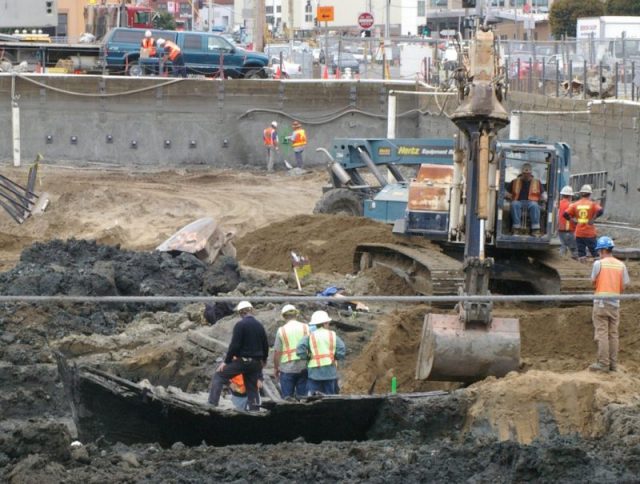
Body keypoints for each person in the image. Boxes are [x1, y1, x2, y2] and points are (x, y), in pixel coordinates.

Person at [208, 301, 268, 411]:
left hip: (243, 361)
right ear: (251, 310)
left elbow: (234, 346)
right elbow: (265, 345)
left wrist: (226, 361)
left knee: (219, 376)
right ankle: (254, 411)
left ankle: (212, 404)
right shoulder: (259, 326)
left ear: (240, 313)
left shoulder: (240, 325)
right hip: (256, 363)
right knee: (252, 388)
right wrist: (264, 360)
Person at [588, 236, 630, 373]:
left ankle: (603, 364)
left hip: (601, 303)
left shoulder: (598, 264)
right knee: (613, 334)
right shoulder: (621, 265)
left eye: (599, 251)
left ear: (603, 250)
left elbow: (593, 281)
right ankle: (613, 365)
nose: (599, 253)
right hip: (615, 303)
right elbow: (624, 285)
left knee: (602, 334)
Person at [296, 310, 345, 395]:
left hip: (314, 372)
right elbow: (341, 349)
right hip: (330, 371)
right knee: (330, 397)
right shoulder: (332, 335)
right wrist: (335, 357)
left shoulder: (310, 336)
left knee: (311, 396)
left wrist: (307, 357)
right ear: (325, 323)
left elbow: (300, 349)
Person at [273, 304, 309, 399]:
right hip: (303, 366)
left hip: (287, 368)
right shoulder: (306, 327)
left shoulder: (281, 330)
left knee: (287, 399)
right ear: (296, 314)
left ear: (284, 316)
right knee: (303, 400)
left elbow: (277, 352)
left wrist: (276, 368)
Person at [563, 184, 604, 262]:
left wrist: (573, 220)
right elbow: (601, 211)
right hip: (589, 233)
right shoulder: (592, 204)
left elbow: (565, 214)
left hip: (579, 233)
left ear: (581, 193)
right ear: (590, 194)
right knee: (595, 252)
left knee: (581, 253)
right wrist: (593, 219)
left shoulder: (575, 204)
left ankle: (582, 268)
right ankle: (597, 268)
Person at [505, 162, 546, 236]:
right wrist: (507, 195)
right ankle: (516, 228)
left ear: (531, 173)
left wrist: (544, 198)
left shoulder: (537, 182)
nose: (526, 175)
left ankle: (535, 229)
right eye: (524, 173)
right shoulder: (515, 181)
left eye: (528, 174)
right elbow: (506, 192)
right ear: (522, 173)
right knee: (514, 204)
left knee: (535, 206)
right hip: (518, 201)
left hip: (532, 202)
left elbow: (543, 194)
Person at [557, 185, 577, 258]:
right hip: (569, 230)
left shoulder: (558, 203)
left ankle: (561, 260)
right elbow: (575, 218)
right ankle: (576, 264)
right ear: (570, 196)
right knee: (574, 249)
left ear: (562, 195)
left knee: (562, 247)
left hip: (559, 229)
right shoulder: (571, 205)